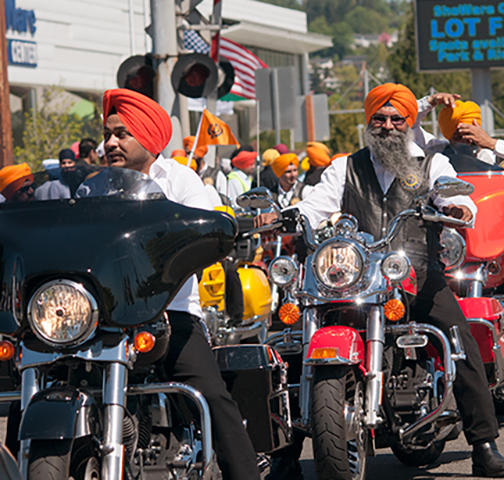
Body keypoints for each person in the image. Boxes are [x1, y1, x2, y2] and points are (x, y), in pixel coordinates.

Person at [257, 83, 504, 478]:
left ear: (409, 123)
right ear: (368, 121)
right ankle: (285, 451)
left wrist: (457, 207)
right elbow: (315, 205)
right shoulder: (345, 167)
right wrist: (282, 218)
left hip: (418, 276)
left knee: (458, 339)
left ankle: (484, 443)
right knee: (285, 343)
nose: (388, 125)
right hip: (355, 277)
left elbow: (456, 199)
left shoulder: (432, 164)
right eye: (379, 118)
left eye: (396, 119)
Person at [102, 88, 260, 480]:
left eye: (121, 133)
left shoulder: (180, 179)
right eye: (108, 134)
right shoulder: (94, 187)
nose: (110, 143)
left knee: (213, 396)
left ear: (148, 136)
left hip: (168, 315)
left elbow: (204, 232)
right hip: (104, 319)